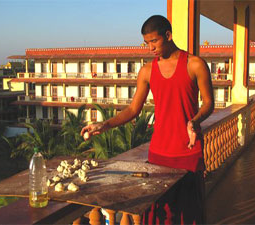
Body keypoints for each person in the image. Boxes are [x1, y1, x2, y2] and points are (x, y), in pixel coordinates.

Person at [81, 15, 214, 225]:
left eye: (154, 41)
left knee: (188, 215)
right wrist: (104, 125)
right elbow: (134, 109)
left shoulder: (195, 64)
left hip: (188, 150)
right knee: (158, 215)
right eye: (146, 43)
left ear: (168, 36)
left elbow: (209, 103)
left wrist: (194, 122)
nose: (150, 47)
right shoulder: (147, 71)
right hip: (159, 152)